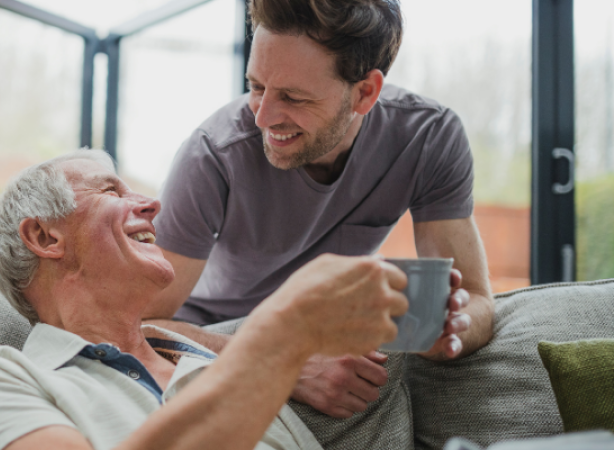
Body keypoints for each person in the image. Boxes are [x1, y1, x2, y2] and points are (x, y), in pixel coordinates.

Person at [0, 149, 460, 450]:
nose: (152, 204)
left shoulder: (211, 363)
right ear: (44, 237)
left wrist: (427, 324)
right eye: (112, 192)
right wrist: (284, 332)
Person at [143, 0, 495, 419]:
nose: (263, 118)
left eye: (292, 97)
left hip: (320, 329)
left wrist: (445, 331)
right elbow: (135, 324)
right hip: (213, 334)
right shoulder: (212, 155)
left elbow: (476, 299)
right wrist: (285, 360)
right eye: (256, 87)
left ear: (365, 93)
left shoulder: (429, 137)